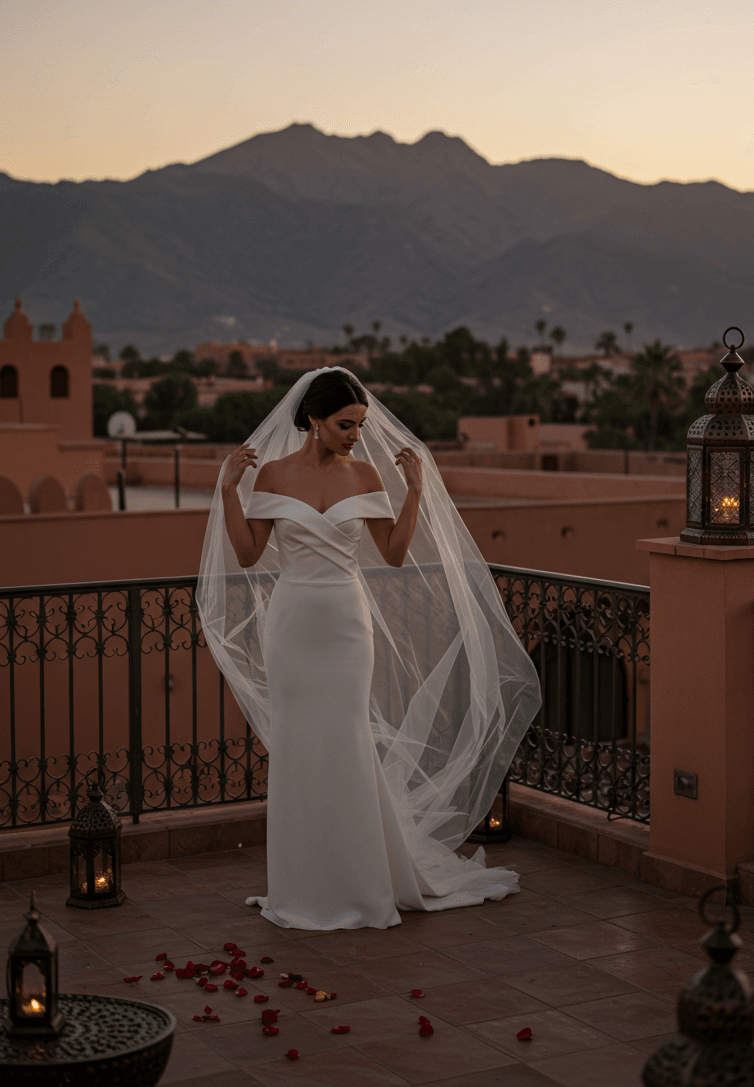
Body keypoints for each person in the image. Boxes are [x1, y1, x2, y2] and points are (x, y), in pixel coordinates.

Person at [197, 367, 541, 931]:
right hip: (293, 625)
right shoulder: (275, 476)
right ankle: (300, 884)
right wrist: (227, 489)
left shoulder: (364, 475)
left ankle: (358, 882)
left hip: (347, 625)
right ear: (313, 419)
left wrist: (416, 493)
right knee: (297, 747)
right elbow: (248, 554)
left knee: (347, 739)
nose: (355, 434)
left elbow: (396, 553)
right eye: (344, 424)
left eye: (358, 425)